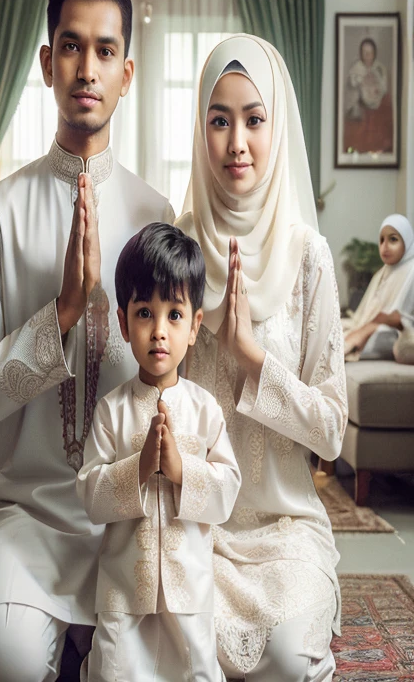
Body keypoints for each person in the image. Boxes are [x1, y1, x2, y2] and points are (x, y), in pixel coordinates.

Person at [0, 0, 173, 682]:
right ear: (47, 63)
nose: (87, 67)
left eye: (105, 51)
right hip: (27, 519)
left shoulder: (156, 217)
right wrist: (63, 313)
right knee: (5, 662)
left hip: (127, 522)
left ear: (127, 73)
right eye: (71, 46)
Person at [176, 35, 348, 682]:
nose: (237, 143)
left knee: (280, 658)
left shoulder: (308, 257)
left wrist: (254, 362)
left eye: (254, 119)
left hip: (284, 526)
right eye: (219, 120)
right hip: (198, 520)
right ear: (201, 129)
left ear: (277, 124)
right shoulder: (179, 244)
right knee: (172, 648)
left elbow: (332, 430)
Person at [77, 222, 241, 682]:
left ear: (194, 327)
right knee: (115, 671)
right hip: (125, 591)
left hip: (188, 590)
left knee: (195, 671)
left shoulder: (205, 409)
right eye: (145, 312)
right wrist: (139, 468)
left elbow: (227, 492)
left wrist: (181, 469)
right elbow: (89, 493)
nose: (159, 331)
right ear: (124, 325)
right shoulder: (112, 411)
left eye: (174, 315)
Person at [343, 214, 414, 361]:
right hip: (373, 327)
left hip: (396, 333)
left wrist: (369, 328)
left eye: (393, 239)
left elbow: (399, 318)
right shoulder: (381, 273)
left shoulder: (411, 270)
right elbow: (363, 316)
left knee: (380, 335)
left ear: (407, 241)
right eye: (382, 240)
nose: (385, 246)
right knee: (334, 328)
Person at [343, 37, 393, 155]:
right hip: (361, 108)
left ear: (374, 54)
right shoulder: (356, 67)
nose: (367, 56)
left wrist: (375, 87)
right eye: (364, 53)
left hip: (377, 108)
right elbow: (352, 83)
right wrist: (361, 81)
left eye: (370, 53)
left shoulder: (379, 68)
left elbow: (384, 88)